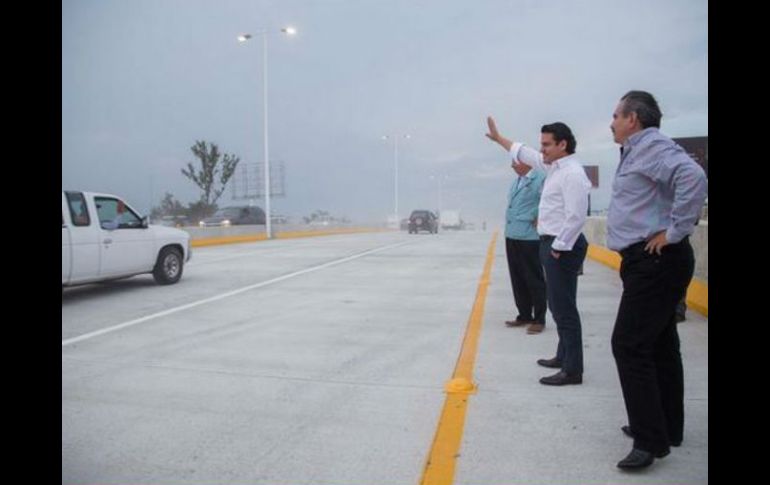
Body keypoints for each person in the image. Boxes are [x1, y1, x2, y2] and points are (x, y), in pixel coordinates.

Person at [606, 90, 707, 469]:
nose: (612, 122)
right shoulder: (637, 151)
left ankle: (650, 441)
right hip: (650, 263)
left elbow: (693, 176)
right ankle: (667, 427)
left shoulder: (650, 147)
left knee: (629, 345)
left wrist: (675, 230)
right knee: (661, 344)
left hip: (656, 260)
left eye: (617, 115)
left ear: (634, 118)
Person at [486, 118, 591, 386]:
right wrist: (499, 139)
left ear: (562, 144)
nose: (541, 149)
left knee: (564, 309)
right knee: (559, 305)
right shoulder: (552, 166)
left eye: (546, 144)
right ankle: (563, 356)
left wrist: (558, 247)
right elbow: (523, 151)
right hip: (553, 244)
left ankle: (573, 369)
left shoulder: (572, 174)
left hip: (561, 246)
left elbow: (577, 216)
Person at [502, 159, 547, 335]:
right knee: (517, 277)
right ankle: (524, 314)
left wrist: (540, 216)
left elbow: (549, 200)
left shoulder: (540, 178)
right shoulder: (517, 181)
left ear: (527, 162)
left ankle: (539, 318)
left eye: (515, 162)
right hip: (512, 234)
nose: (512, 165)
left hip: (530, 236)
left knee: (533, 277)